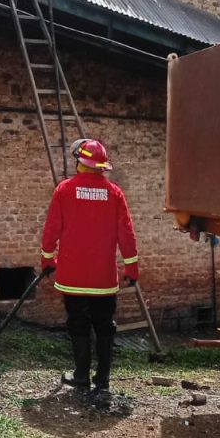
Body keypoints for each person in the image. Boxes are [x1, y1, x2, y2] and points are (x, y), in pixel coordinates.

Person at [40, 138, 139, 399]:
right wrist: (132, 267)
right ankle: (103, 381)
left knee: (78, 325)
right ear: (101, 166)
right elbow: (126, 234)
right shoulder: (115, 193)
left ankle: (81, 375)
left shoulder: (64, 190)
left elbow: (51, 230)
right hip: (103, 280)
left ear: (80, 163)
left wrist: (48, 260)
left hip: (71, 277)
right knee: (105, 327)